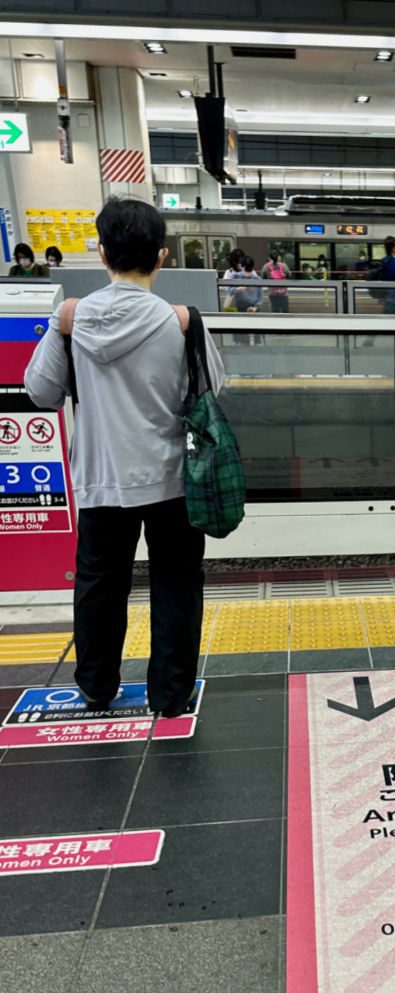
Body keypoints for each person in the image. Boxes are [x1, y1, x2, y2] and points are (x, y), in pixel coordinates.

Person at [23, 196, 225, 718]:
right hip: (173, 481)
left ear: (101, 252)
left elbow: (41, 392)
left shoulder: (69, 317)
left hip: (99, 479)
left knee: (99, 584)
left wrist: (60, 335)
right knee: (176, 584)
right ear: (160, 257)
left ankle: (95, 685)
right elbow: (214, 388)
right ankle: (171, 694)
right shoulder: (182, 322)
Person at [373, 236, 395, 314]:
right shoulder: (394, 262)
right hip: (392, 295)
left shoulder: (384, 260)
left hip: (385, 295)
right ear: (392, 248)